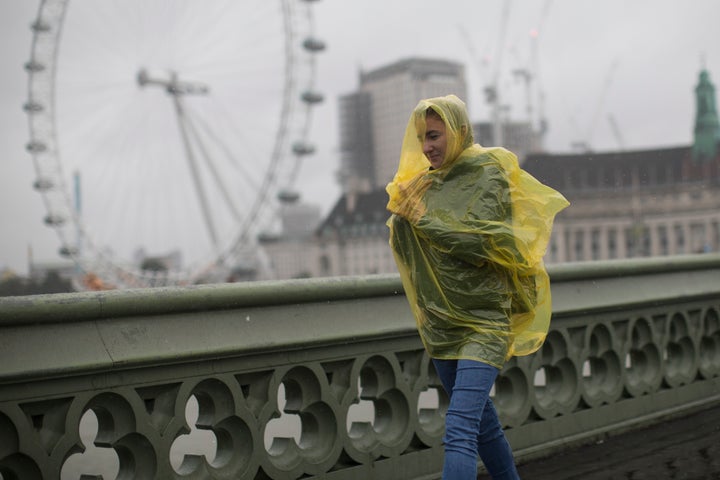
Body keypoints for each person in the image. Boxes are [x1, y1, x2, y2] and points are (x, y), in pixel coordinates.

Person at [386, 95, 569, 479]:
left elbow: (484, 244)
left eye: (435, 135)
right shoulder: (424, 185)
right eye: (422, 138)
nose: (428, 147)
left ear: (461, 131)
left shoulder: (489, 173)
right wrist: (401, 216)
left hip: (484, 321)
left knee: (459, 428)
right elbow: (410, 251)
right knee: (481, 423)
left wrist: (422, 218)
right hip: (440, 324)